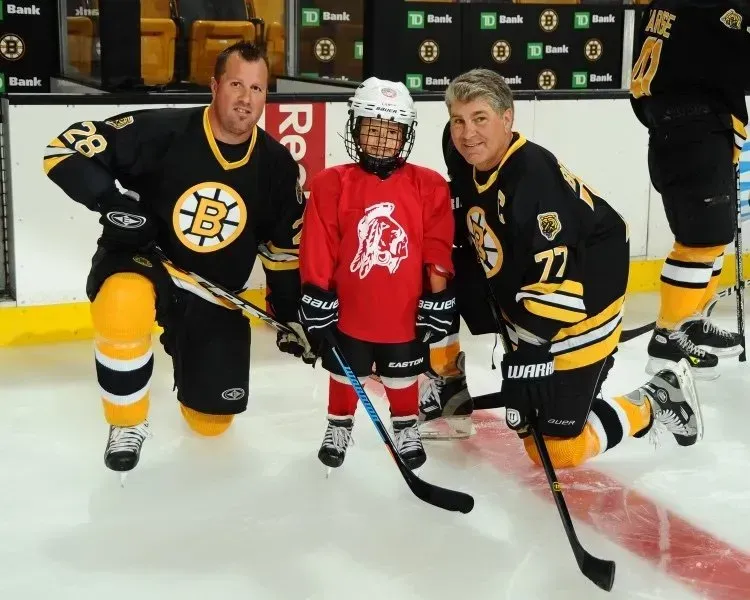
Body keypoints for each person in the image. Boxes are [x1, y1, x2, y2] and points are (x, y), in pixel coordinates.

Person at [44, 41, 314, 476]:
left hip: (212, 288)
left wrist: (287, 314)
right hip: (143, 260)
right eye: (236, 84)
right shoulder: (160, 132)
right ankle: (126, 424)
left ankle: (190, 365)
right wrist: (112, 202)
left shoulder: (278, 167)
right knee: (121, 304)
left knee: (211, 424)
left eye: (258, 89)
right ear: (214, 86)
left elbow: (281, 251)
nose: (246, 99)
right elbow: (62, 151)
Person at [437, 68, 702, 469]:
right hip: (538, 299)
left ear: (507, 118)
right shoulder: (471, 161)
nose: (467, 133)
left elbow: (557, 270)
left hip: (582, 307)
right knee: (530, 421)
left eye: (480, 119)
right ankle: (571, 390)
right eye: (458, 120)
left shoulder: (531, 179)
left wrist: (531, 350)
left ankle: (656, 398)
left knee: (558, 449)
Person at [297, 77, 456, 471]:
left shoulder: (428, 184)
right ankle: (338, 425)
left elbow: (437, 245)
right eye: (372, 128)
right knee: (342, 368)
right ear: (355, 128)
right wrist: (316, 291)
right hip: (350, 308)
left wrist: (438, 295)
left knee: (403, 371)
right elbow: (319, 244)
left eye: (391, 131)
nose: (381, 140)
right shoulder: (333, 183)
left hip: (403, 310)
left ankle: (404, 426)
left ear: (406, 134)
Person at [629, 0, 750, 378]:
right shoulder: (715, 6)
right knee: (701, 241)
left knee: (711, 238)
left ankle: (692, 320)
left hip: (687, 130)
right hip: (692, 131)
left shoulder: (666, 4)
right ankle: (668, 337)